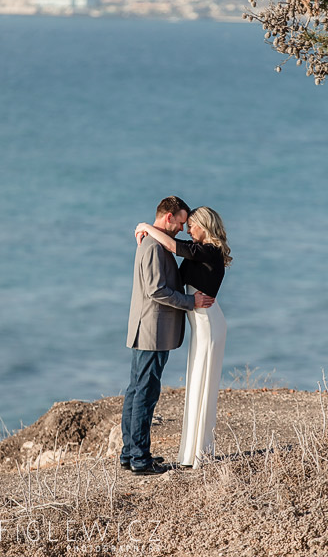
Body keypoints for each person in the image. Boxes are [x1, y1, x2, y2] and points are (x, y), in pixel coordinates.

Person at [122, 196, 215, 475]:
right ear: (168, 217)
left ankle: (131, 454)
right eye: (181, 222)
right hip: (152, 331)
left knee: (138, 391)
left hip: (151, 330)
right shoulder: (152, 247)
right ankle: (139, 458)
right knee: (144, 394)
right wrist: (191, 303)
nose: (181, 229)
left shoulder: (155, 242)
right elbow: (156, 290)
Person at [135, 206, 232, 469]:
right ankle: (191, 454)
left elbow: (172, 244)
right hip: (201, 323)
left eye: (191, 225)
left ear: (204, 225)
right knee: (196, 382)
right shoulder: (199, 252)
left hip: (209, 325)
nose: (188, 230)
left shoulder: (209, 250)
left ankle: (200, 454)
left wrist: (146, 226)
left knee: (203, 384)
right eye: (186, 225)